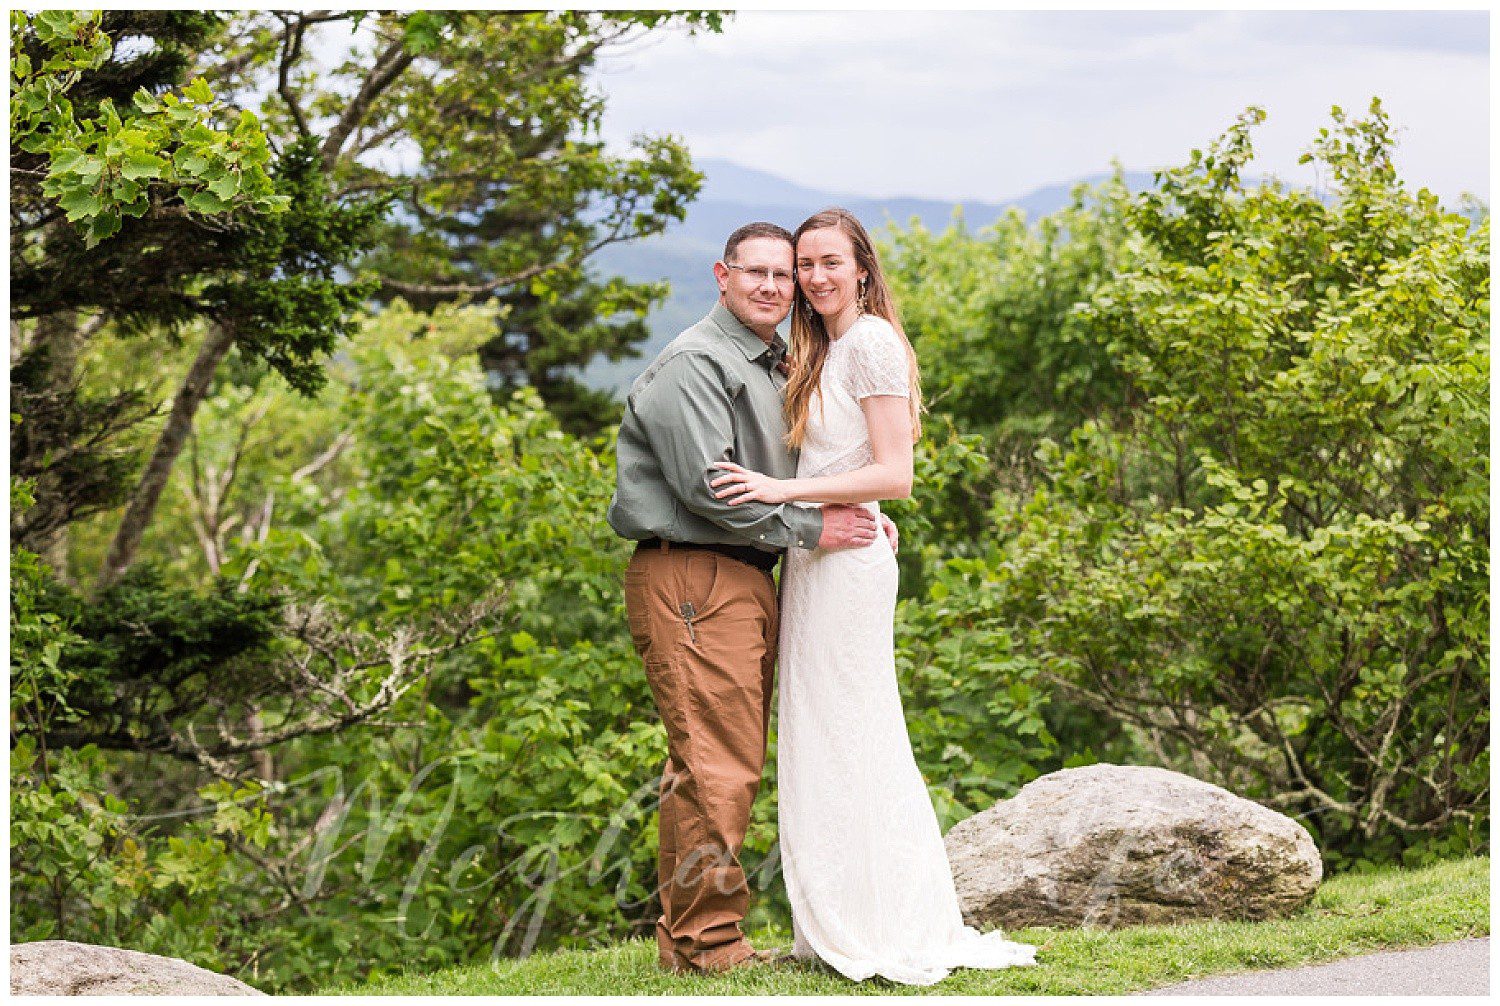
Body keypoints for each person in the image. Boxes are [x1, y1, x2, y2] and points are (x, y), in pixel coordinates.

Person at [709, 208, 1040, 985]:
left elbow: (896, 474)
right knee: (820, 732)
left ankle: (883, 916)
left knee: (855, 730)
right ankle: (836, 913)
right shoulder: (822, 349)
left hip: (848, 569)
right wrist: (826, 511)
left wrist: (785, 490)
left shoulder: (875, 344)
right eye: (804, 266)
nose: (815, 278)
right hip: (822, 559)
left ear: (862, 267)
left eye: (830, 262)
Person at [606, 221, 897, 975]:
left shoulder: (771, 361)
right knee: (717, 762)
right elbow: (715, 492)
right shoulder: (696, 365)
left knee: (709, 758)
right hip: (695, 573)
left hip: (742, 575)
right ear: (721, 274)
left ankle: (690, 939)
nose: (774, 286)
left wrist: (855, 507)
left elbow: (804, 460)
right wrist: (818, 526)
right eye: (757, 272)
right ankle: (711, 945)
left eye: (785, 274)